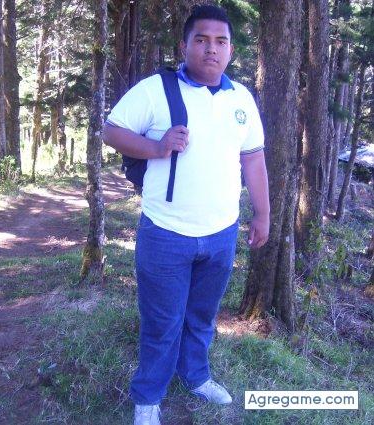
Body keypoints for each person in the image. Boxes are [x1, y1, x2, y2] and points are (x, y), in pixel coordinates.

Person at [103, 4, 269, 425]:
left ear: (230, 50)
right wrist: (157, 147)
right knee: (162, 321)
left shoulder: (241, 98)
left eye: (220, 41)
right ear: (184, 46)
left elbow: (253, 159)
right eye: (201, 40)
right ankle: (148, 397)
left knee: (201, 317)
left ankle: (195, 375)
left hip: (222, 233)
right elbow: (112, 130)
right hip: (165, 233)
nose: (211, 49)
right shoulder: (156, 90)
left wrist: (262, 214)